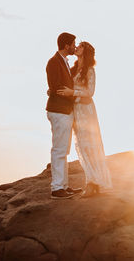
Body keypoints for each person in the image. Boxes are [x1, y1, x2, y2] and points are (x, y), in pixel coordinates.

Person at [57, 41, 112, 197]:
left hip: (86, 110)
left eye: (80, 46)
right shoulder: (73, 69)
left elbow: (90, 92)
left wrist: (72, 93)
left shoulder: (89, 70)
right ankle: (91, 181)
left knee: (90, 144)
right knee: (81, 145)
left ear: (85, 51)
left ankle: (93, 183)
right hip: (75, 110)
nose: (76, 48)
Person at [46, 31, 80, 199]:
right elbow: (56, 88)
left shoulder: (64, 62)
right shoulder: (53, 62)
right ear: (66, 45)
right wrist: (72, 93)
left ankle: (64, 186)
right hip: (59, 111)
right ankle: (57, 188)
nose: (75, 46)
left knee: (63, 150)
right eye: (73, 44)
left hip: (65, 111)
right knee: (59, 150)